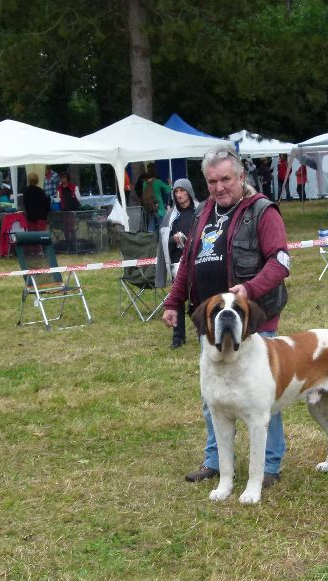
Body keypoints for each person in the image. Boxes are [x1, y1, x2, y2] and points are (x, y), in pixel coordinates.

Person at [161, 144, 291, 487]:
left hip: (252, 320)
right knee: (213, 395)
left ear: (241, 176)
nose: (219, 187)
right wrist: (173, 302)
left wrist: (249, 289)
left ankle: (270, 467)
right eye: (212, 181)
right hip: (213, 320)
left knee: (261, 395)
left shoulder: (262, 211)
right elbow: (189, 262)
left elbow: (281, 262)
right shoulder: (204, 212)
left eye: (226, 179)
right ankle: (217, 461)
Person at [158, 179, 202, 350]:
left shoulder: (201, 211)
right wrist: (173, 239)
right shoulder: (170, 217)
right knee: (177, 300)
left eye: (182, 191)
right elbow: (163, 241)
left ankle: (203, 333)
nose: (179, 195)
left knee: (198, 299)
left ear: (189, 192)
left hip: (198, 262)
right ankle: (178, 338)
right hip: (178, 262)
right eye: (176, 192)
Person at [139, 164, 171, 233]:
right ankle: (161, 241)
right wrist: (170, 184)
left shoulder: (144, 183)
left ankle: (150, 241)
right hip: (159, 207)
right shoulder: (158, 182)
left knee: (151, 224)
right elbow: (168, 190)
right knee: (162, 226)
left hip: (150, 207)